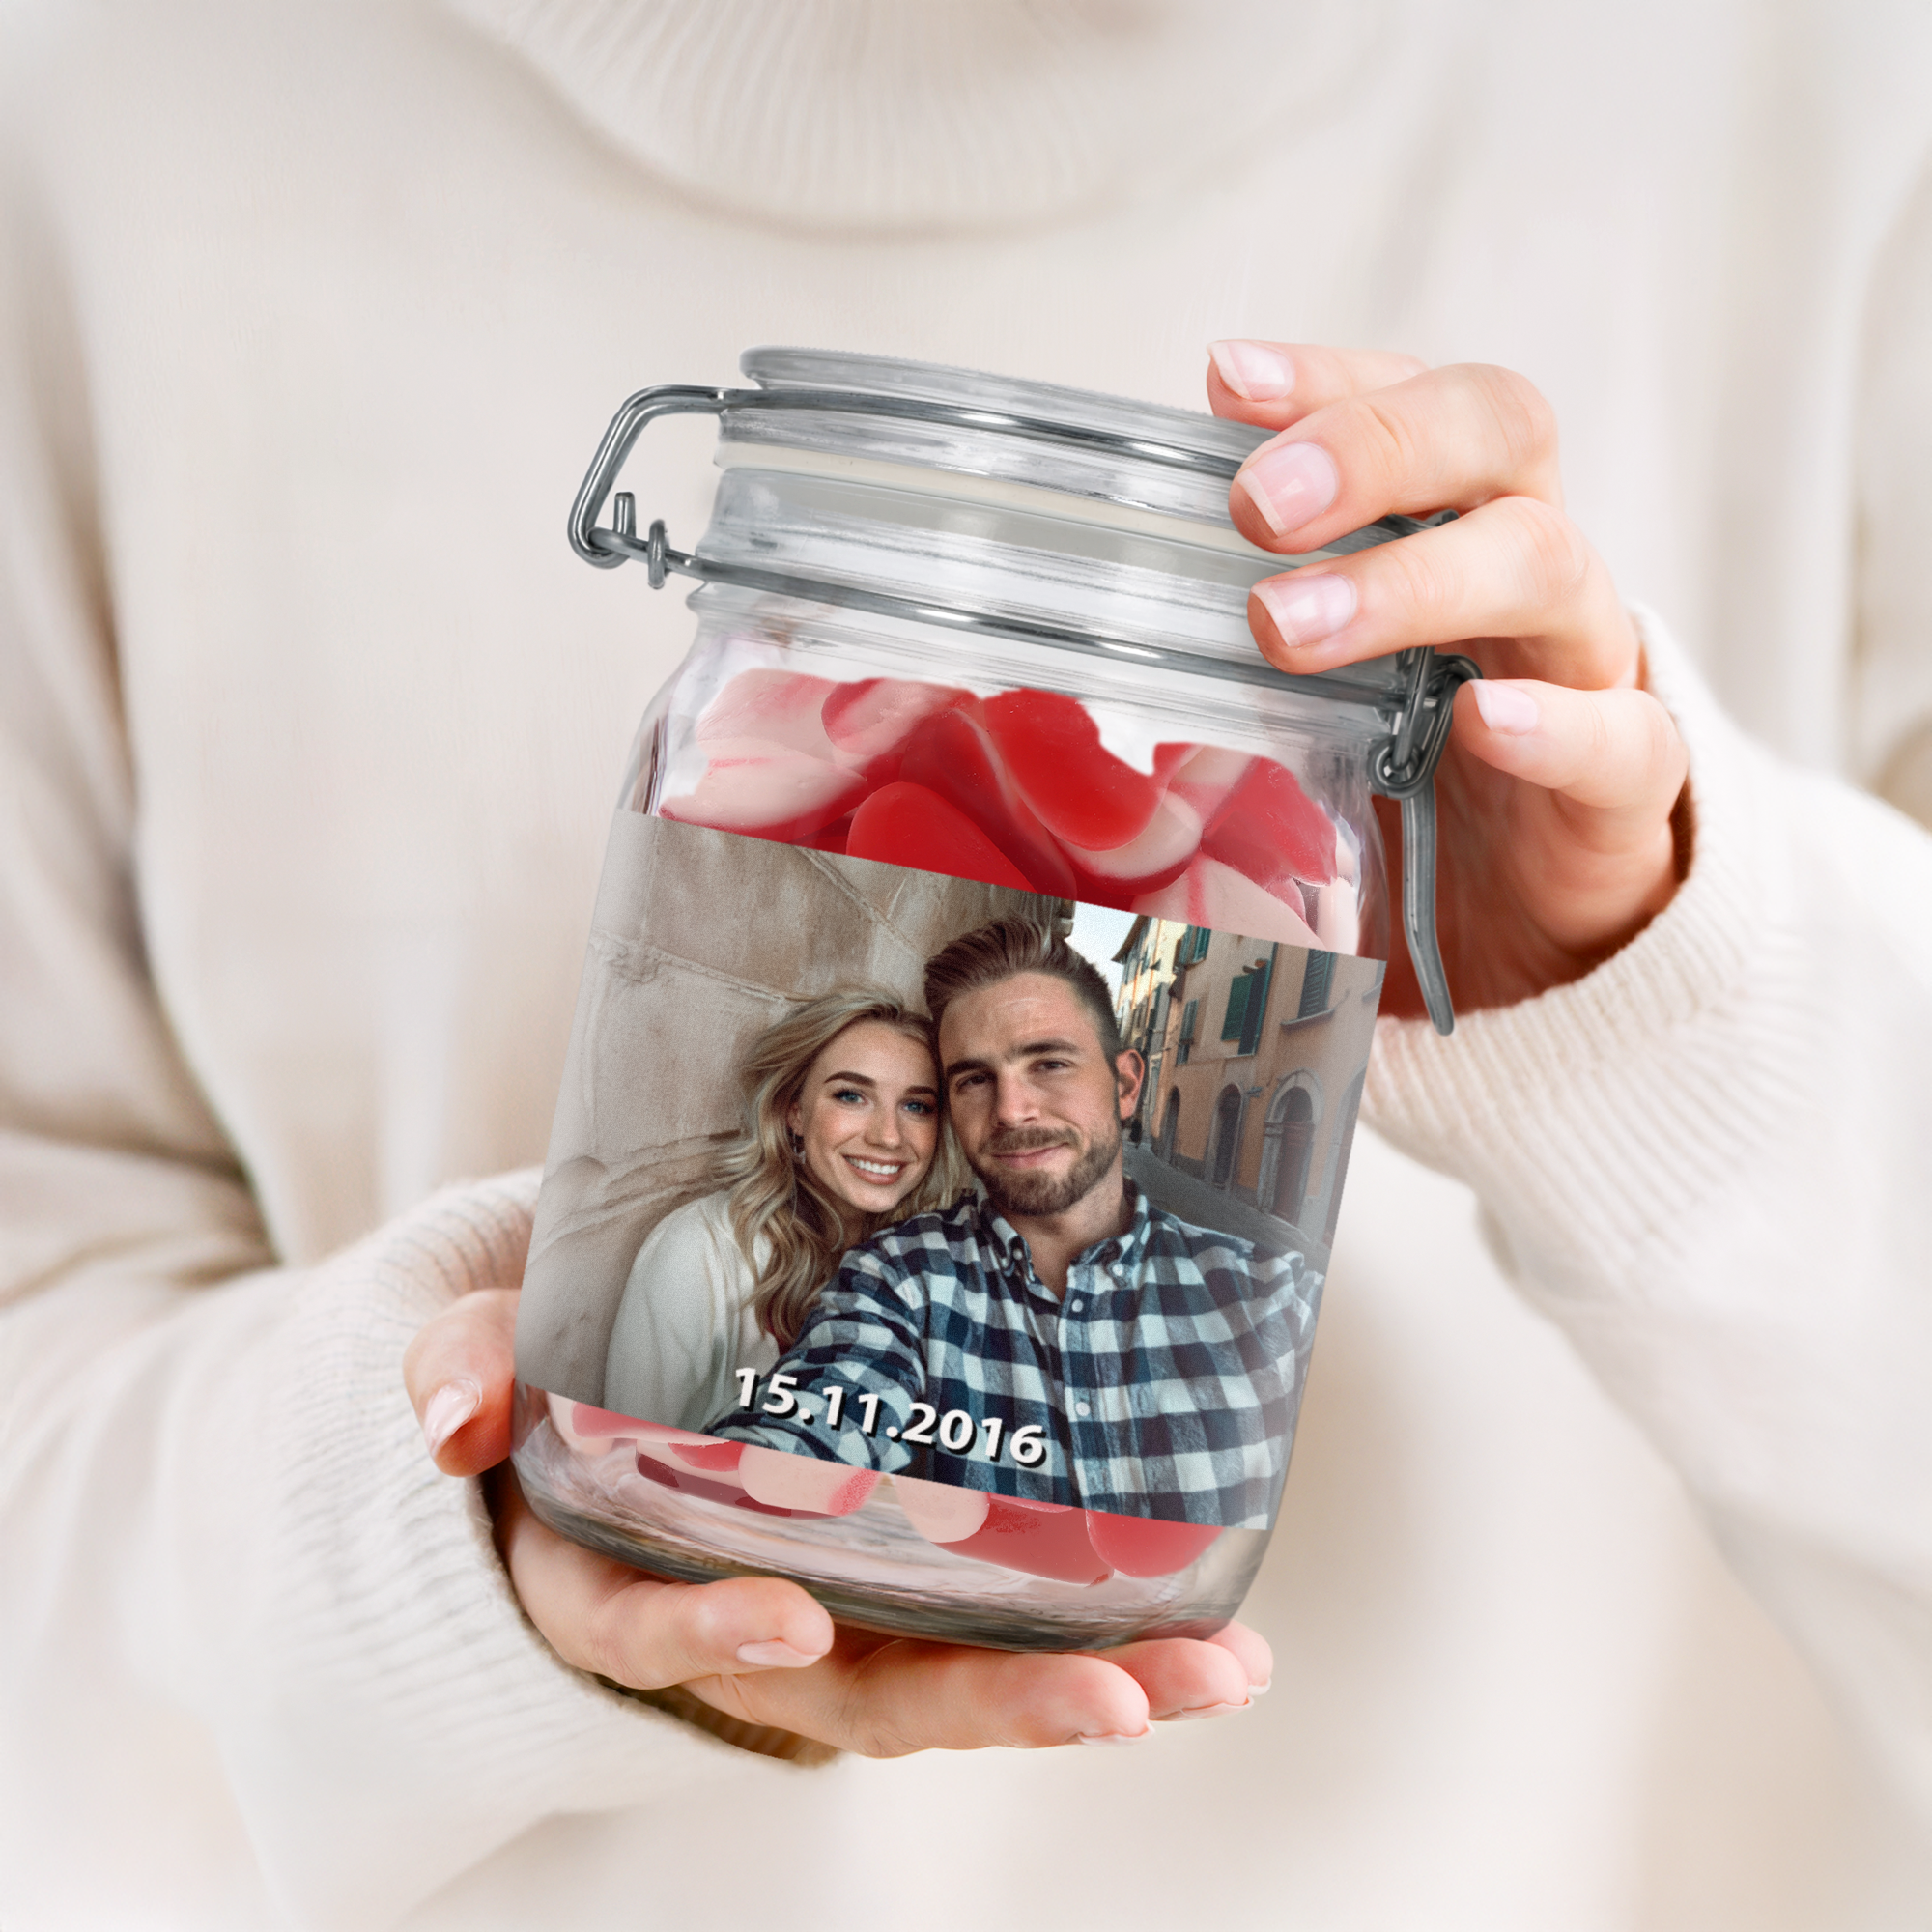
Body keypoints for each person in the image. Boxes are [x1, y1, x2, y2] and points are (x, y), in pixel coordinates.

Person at [5, 5, 1930, 1926]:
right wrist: (425, 1534)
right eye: (948, 1081)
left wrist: (1657, 994)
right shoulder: (96, 123)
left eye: (1022, 1077)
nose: (991, 1116)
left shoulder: (1825, 93)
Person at [709, 921, 1321, 1529]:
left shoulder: (1274, 1297)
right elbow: (812, 1425)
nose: (1011, 1110)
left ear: (1126, 1083)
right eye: (975, 1080)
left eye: (1050, 1064)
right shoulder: (897, 1279)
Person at [600, 989, 959, 1431]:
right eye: (850, 1096)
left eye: (916, 1106)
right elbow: (625, 1455)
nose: (889, 1136)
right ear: (795, 1112)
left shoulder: (922, 1262)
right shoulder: (700, 1249)